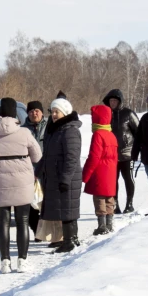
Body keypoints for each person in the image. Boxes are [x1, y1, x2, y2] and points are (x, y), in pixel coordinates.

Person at [0, 98, 42, 274]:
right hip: (22, 183)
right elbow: (37, 156)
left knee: (2, 223)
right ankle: (22, 261)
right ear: (14, 113)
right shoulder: (25, 133)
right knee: (23, 222)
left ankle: (5, 262)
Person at [35, 96, 82, 253]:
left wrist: (65, 179)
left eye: (57, 112)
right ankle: (71, 239)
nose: (53, 115)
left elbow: (72, 158)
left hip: (65, 177)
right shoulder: (56, 130)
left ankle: (69, 241)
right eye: (52, 111)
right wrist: (37, 172)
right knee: (64, 208)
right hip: (57, 177)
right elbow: (47, 154)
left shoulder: (70, 131)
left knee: (67, 209)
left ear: (65, 112)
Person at [82, 105, 118, 235]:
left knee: (99, 198)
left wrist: (85, 175)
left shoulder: (98, 135)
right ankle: (109, 223)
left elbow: (94, 157)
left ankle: (101, 225)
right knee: (109, 198)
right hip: (111, 172)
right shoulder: (111, 135)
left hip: (99, 172)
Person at [102, 89, 139, 214]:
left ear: (120, 101)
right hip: (111, 155)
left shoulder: (128, 114)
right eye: (110, 101)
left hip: (127, 154)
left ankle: (129, 203)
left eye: (115, 100)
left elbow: (139, 132)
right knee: (113, 181)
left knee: (128, 179)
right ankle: (115, 204)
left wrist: (137, 150)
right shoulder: (106, 115)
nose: (112, 103)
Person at [22, 100, 47, 238]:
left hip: (46, 171)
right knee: (30, 206)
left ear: (42, 112)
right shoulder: (23, 130)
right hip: (29, 172)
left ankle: (47, 231)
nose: (34, 113)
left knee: (45, 204)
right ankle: (37, 231)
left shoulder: (49, 127)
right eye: (31, 111)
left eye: (37, 110)